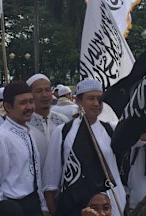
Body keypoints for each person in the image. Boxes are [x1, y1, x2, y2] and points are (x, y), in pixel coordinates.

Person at [43, 79, 125, 216]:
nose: (96, 103)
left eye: (100, 99)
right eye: (91, 98)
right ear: (78, 101)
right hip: (75, 206)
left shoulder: (112, 129)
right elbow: (51, 177)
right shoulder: (63, 132)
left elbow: (140, 138)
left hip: (111, 204)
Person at [0, 81, 48, 216]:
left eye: (31, 101)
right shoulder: (1, 139)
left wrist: (42, 206)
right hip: (13, 208)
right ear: (8, 106)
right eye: (23, 103)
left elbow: (35, 174)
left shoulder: (28, 131)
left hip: (33, 204)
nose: (29, 107)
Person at [26, 74, 68, 169]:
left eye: (47, 90)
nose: (44, 95)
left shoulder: (63, 121)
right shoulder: (24, 125)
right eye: (39, 91)